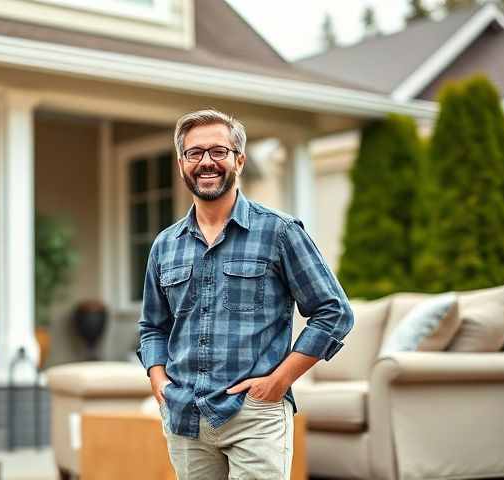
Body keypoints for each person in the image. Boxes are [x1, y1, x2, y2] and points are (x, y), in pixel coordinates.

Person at [136, 109, 354, 479]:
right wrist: (159, 380)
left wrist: (279, 381)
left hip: (254, 415)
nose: (206, 162)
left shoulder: (280, 232)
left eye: (218, 151)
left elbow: (333, 312)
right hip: (185, 415)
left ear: (239, 159)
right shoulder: (165, 245)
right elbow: (153, 326)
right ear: (181, 164)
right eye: (195, 153)